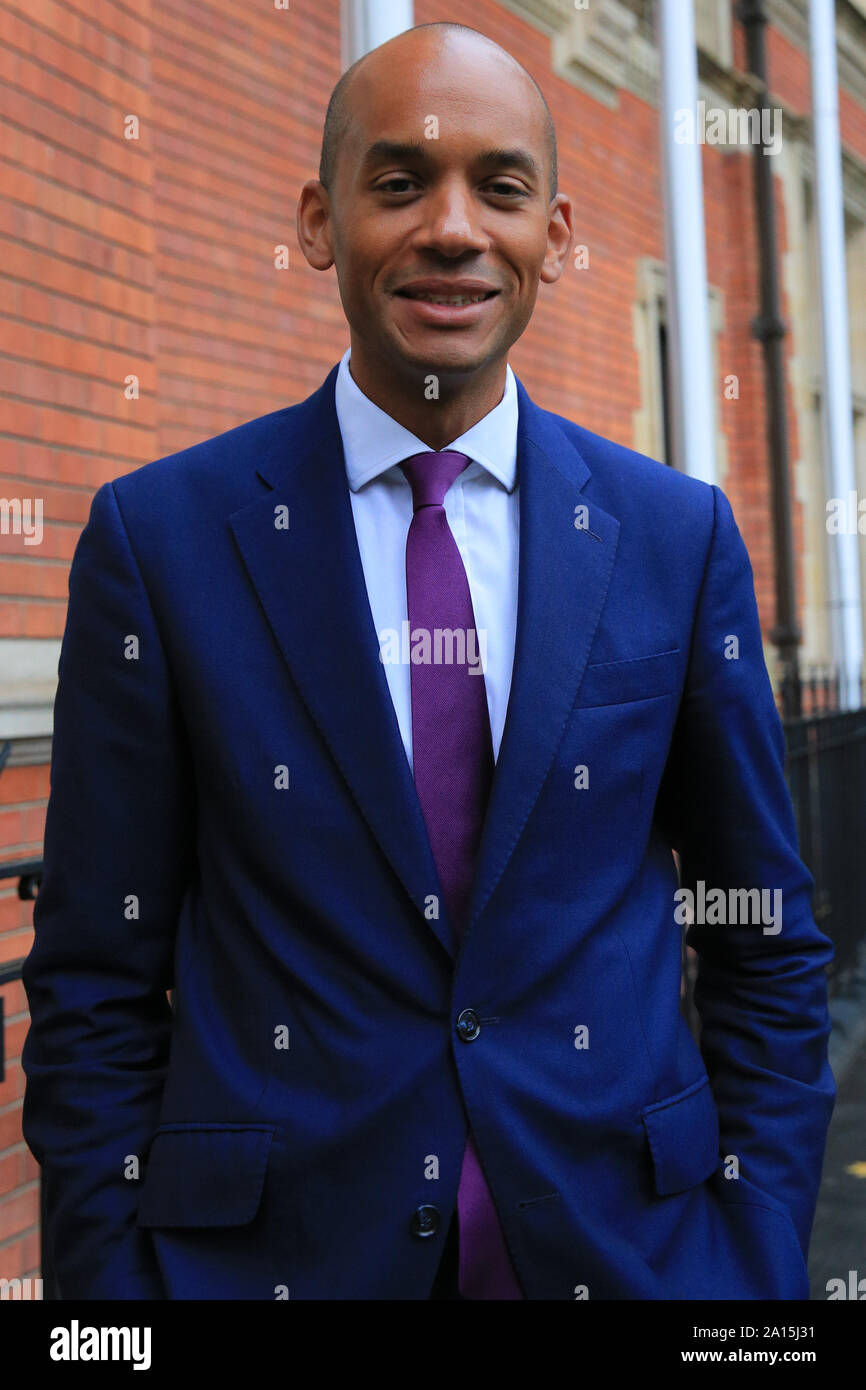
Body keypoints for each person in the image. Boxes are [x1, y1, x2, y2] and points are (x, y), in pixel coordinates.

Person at [22, 21, 835, 1301]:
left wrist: (754, 1262)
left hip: (637, 1261)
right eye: (398, 182)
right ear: (317, 222)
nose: (451, 228)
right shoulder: (161, 541)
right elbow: (93, 978)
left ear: (556, 235)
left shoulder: (672, 538)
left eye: (499, 188)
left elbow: (764, 939)